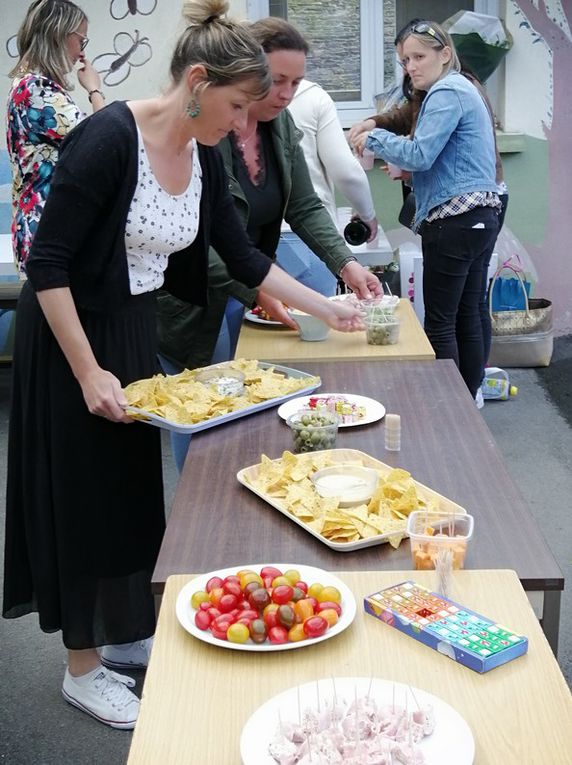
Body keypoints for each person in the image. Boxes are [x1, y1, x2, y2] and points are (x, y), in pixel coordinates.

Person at [2, 0, 364, 731]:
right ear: (197, 81)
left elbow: (242, 254)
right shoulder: (107, 140)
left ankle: (127, 632)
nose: (239, 124)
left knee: (133, 493)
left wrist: (329, 306)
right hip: (72, 333)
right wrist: (86, 372)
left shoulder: (200, 151)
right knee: (82, 498)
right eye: (235, 105)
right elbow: (48, 263)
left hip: (132, 330)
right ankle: (82, 669)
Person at [156, 17, 381, 378]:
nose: (287, 94)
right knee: (205, 403)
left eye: (296, 82)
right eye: (277, 81)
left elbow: (304, 206)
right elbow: (192, 241)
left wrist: (345, 263)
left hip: (254, 282)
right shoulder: (202, 134)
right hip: (199, 300)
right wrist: (260, 288)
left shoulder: (281, 125)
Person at [351, 21, 500, 398]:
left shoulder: (447, 90)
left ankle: (449, 407)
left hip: (453, 221)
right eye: (404, 60)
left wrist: (374, 137)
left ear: (445, 54)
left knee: (440, 323)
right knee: (467, 313)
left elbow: (421, 154)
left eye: (419, 57)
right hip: (480, 217)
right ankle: (469, 401)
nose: (411, 67)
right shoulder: (461, 88)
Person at [6, 0, 104, 278]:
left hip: (43, 229)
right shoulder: (35, 89)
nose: (81, 53)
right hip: (49, 233)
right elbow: (105, 142)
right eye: (80, 41)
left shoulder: (28, 87)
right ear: (58, 34)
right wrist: (95, 90)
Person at [282, 77, 378, 295]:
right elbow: (345, 170)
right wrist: (367, 213)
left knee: (252, 327)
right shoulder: (312, 95)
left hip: (253, 242)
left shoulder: (235, 95)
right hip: (311, 237)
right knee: (316, 325)